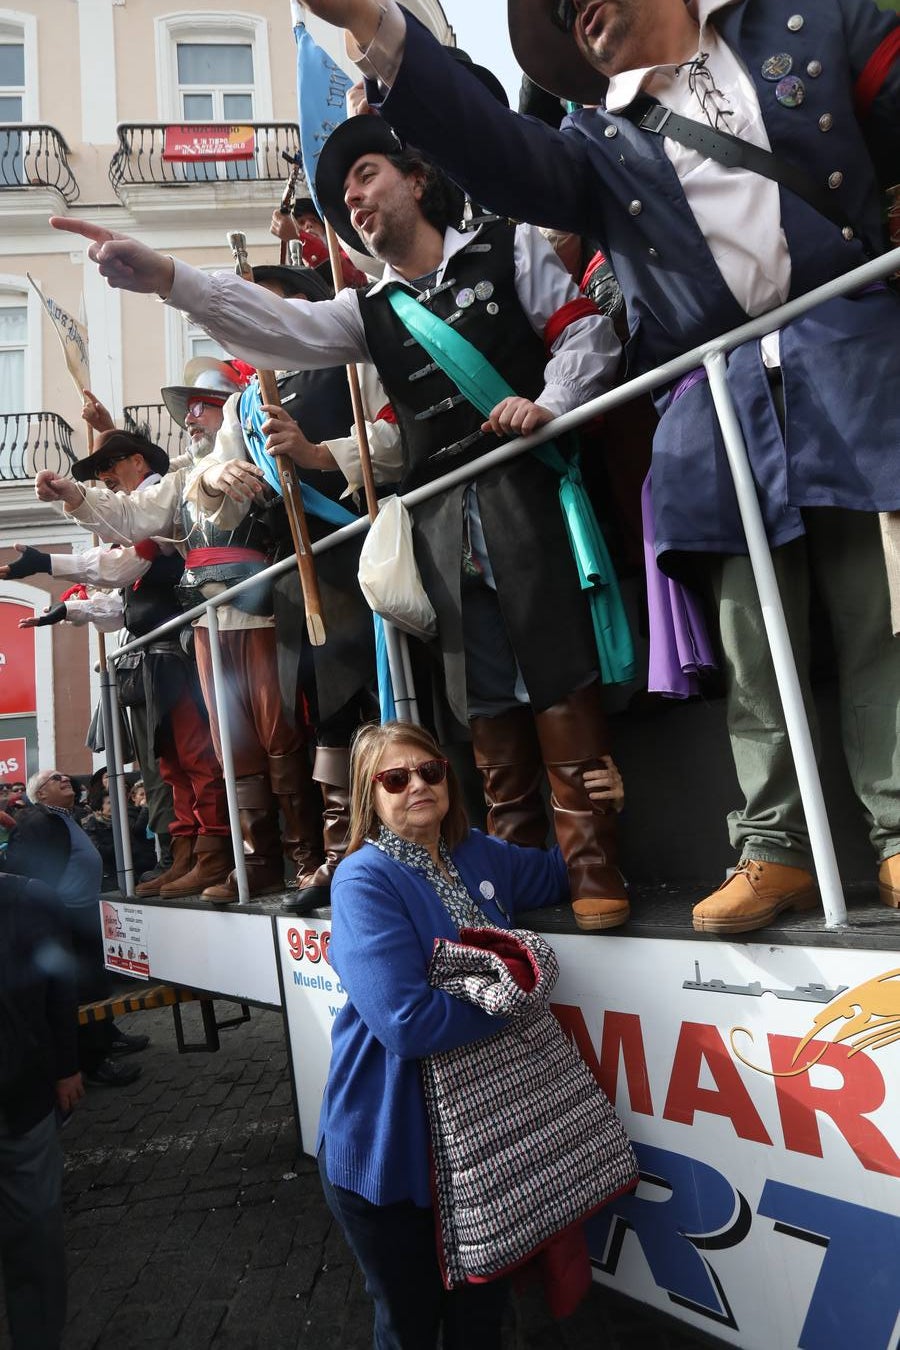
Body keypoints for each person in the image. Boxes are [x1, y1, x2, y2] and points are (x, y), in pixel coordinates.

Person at [289, 0, 900, 935]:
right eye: (561, 11)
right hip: (722, 397)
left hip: (850, 365)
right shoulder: (593, 142)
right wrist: (377, 20)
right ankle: (775, 846)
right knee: (751, 642)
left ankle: (896, 832)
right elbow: (494, 149)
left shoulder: (812, 27)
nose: (580, 11)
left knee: (872, 619)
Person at [48, 116, 636, 933]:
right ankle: (517, 879)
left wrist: (549, 404)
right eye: (342, 192)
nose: (352, 199)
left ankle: (593, 865)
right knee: (487, 703)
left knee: (559, 676)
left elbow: (586, 334)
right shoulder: (368, 310)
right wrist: (166, 278)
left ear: (417, 178)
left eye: (363, 175)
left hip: (527, 494)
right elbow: (278, 326)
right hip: (439, 516)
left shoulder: (511, 249)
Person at [318, 719, 571, 1348]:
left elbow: (567, 871)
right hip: (393, 1148)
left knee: (479, 1322)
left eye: (430, 772)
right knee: (409, 1325)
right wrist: (517, 998)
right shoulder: (363, 878)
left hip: (480, 1156)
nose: (417, 787)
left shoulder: (478, 853)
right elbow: (406, 1022)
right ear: (368, 795)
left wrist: (595, 802)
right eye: (395, 779)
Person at [6, 426, 234, 899]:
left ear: (138, 461)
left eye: (111, 465)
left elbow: (120, 564)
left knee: (197, 758)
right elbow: (119, 603)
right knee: (170, 764)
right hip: (152, 659)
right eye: (99, 472)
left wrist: (46, 562)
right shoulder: (139, 520)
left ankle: (213, 856)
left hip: (180, 653)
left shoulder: (165, 509)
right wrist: (68, 610)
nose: (106, 477)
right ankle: (188, 853)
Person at [5, 771, 147, 1086]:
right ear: (40, 794)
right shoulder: (38, 821)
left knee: (97, 983)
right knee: (81, 992)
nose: (63, 778)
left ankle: (108, 1037)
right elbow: (24, 870)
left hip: (81, 915)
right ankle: (93, 1063)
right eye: (54, 779)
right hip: (63, 919)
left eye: (63, 776)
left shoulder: (62, 817)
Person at [0, 871, 83, 1350]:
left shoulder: (28, 898)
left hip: (19, 1104)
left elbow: (59, 986)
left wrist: (67, 1067)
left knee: (34, 1241)